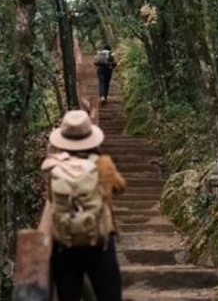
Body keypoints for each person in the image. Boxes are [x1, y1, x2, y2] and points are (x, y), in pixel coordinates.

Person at [41, 110, 126, 301]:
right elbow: (120, 188)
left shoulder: (54, 167)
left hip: (65, 243)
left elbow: (51, 200)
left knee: (68, 295)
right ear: (91, 137)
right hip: (99, 242)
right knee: (110, 293)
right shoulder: (102, 164)